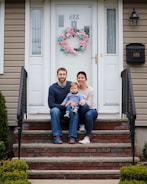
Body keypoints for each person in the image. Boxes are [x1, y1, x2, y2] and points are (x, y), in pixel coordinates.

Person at [48, 67, 79, 144]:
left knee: (74, 111)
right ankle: (57, 136)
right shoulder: (52, 88)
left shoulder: (70, 85)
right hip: (59, 111)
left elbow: (78, 95)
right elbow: (51, 104)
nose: (62, 76)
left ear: (66, 75)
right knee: (54, 110)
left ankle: (72, 136)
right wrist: (64, 105)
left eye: (64, 74)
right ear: (57, 75)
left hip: (69, 110)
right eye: (60, 74)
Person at [77, 71, 98, 144]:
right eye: (79, 78)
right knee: (82, 107)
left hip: (92, 110)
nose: (80, 79)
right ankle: (82, 124)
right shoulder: (76, 89)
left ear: (85, 79)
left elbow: (89, 104)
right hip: (81, 110)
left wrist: (83, 101)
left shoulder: (90, 90)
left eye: (82, 77)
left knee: (88, 114)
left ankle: (87, 137)